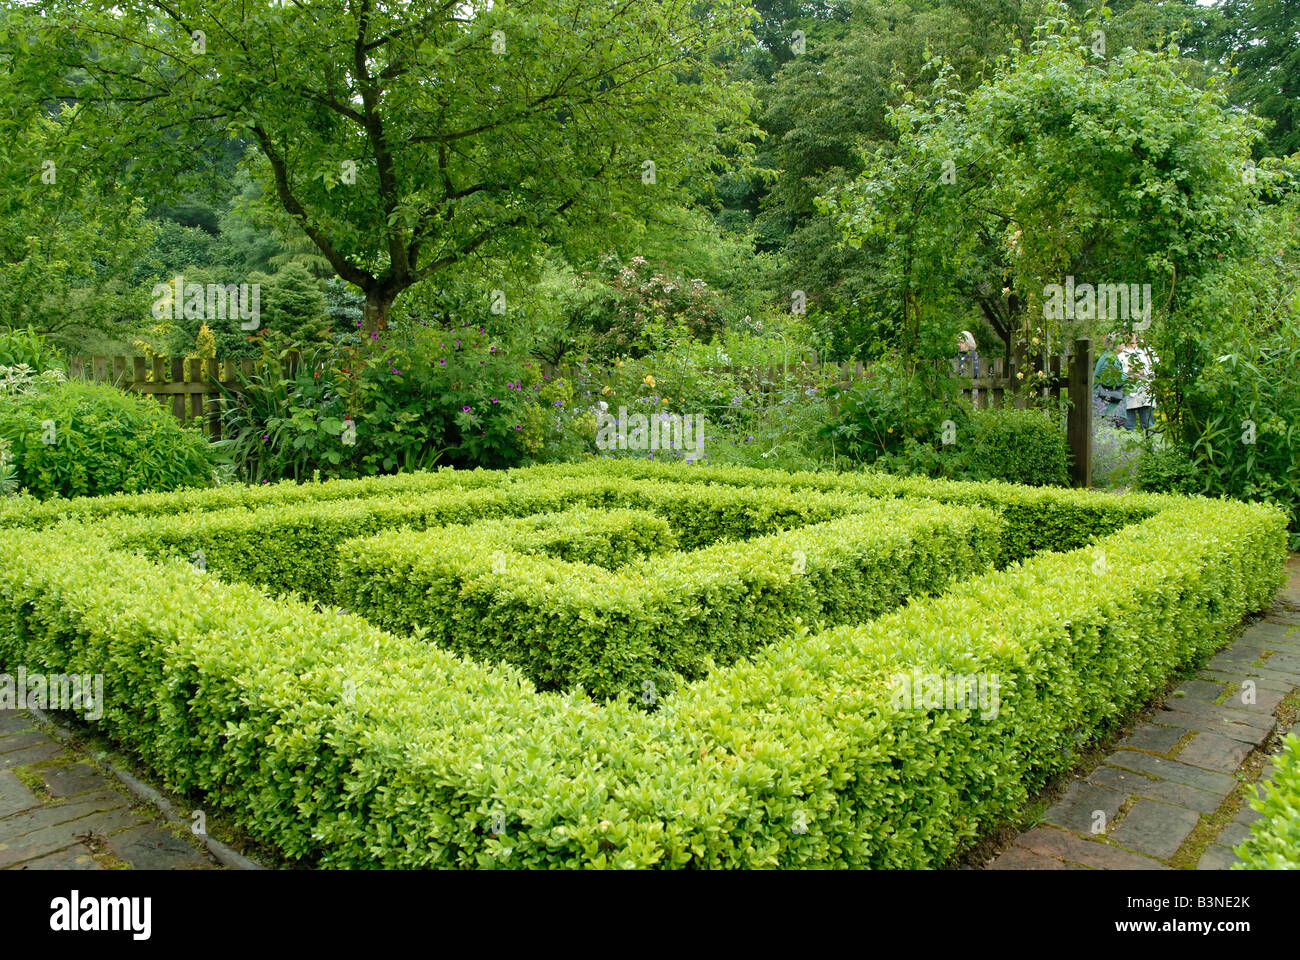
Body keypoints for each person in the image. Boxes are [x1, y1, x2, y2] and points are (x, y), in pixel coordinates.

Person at [1117, 334, 1157, 431]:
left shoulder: (1147, 351)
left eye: (1132, 333)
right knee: (1128, 426)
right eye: (1127, 333)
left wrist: (1143, 371)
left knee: (1148, 425)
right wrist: (1130, 372)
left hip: (1145, 392)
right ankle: (1130, 444)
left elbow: (1155, 367)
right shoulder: (1121, 355)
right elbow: (1118, 372)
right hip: (1128, 393)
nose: (1129, 335)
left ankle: (1150, 445)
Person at [1093, 337, 1126, 427]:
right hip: (1108, 407)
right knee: (1107, 433)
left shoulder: (1110, 356)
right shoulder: (1109, 358)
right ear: (1114, 344)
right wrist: (1127, 377)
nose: (1124, 344)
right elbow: (1108, 379)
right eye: (1121, 342)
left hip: (1108, 405)